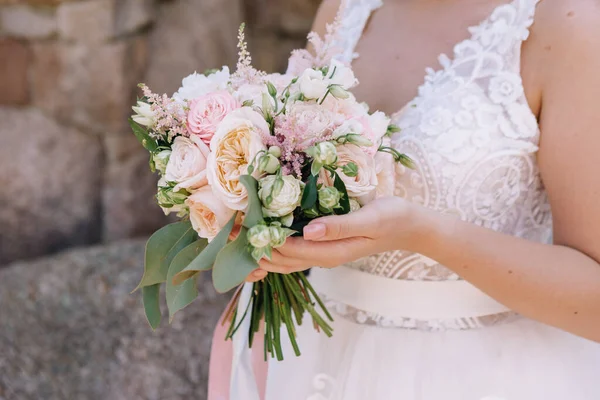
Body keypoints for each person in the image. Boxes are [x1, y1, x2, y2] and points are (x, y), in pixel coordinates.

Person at [213, 0, 600, 398]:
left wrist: (425, 234)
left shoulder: (567, 24)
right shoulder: (346, 8)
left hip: (483, 375)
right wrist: (256, 224)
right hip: (318, 358)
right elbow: (293, 168)